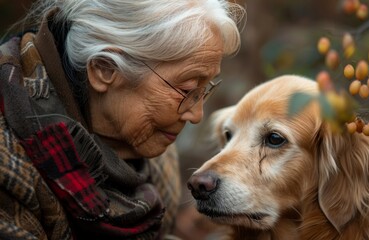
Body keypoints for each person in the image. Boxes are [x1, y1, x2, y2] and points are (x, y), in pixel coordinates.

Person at [0, 0, 245, 239]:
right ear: (104, 69)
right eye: (187, 89)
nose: (196, 115)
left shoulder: (156, 154)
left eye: (204, 89)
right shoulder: (8, 167)